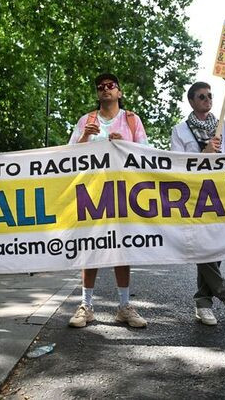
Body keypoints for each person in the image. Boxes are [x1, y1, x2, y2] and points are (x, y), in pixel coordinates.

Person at [170, 79, 225, 325]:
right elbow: (176, 166)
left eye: (210, 96)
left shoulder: (223, 126)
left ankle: (203, 302)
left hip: (220, 193)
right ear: (191, 101)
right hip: (194, 196)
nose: (207, 100)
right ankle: (223, 291)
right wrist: (203, 155)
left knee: (215, 246)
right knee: (200, 246)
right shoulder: (180, 131)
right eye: (202, 96)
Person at [67, 73, 149, 329]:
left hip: (124, 192)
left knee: (121, 248)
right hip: (91, 193)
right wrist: (83, 139)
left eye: (110, 86)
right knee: (90, 247)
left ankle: (124, 306)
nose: (105, 90)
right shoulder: (86, 121)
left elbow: (147, 154)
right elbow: (67, 158)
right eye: (100, 87)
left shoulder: (132, 120)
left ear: (119, 92)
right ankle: (86, 306)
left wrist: (126, 144)